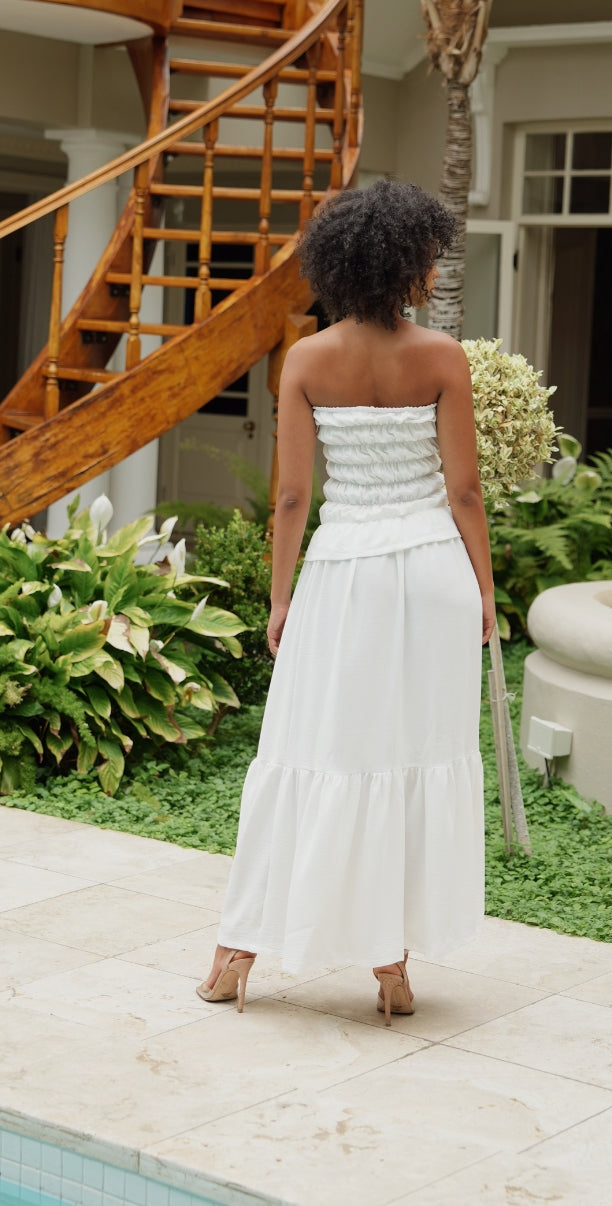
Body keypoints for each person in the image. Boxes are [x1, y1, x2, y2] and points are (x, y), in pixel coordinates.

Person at [196, 181, 495, 1023]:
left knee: (309, 749)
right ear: (405, 260)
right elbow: (464, 491)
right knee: (406, 754)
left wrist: (279, 597)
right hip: (432, 572)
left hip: (343, 573)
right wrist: (484, 582)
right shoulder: (442, 357)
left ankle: (233, 957)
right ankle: (392, 969)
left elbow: (293, 497)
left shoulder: (307, 360)